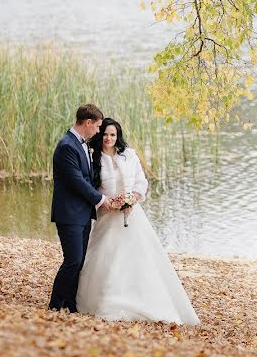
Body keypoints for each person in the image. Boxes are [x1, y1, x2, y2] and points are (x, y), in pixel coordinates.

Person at [76, 118, 200, 325]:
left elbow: (141, 182)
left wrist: (133, 198)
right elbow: (91, 189)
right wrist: (108, 203)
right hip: (107, 214)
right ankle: (105, 300)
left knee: (138, 255)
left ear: (118, 136)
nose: (108, 138)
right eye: (105, 134)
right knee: (106, 256)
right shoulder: (93, 157)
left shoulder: (129, 155)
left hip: (132, 214)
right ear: (100, 135)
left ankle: (142, 298)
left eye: (112, 135)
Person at [49, 103, 112, 313]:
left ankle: (70, 303)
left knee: (80, 260)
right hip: (69, 214)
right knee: (73, 260)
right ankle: (55, 305)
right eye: (97, 127)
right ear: (87, 123)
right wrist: (101, 199)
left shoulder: (83, 144)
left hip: (82, 214)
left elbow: (88, 178)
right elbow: (77, 181)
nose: (97, 131)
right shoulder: (67, 146)